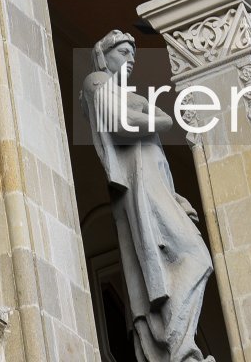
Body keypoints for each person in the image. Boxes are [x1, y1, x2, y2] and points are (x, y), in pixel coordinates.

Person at [82, 30, 215, 362]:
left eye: (133, 55)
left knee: (192, 258)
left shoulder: (123, 92)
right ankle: (176, 346)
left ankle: (171, 342)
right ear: (104, 54)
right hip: (139, 185)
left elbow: (158, 159)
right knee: (196, 257)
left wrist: (177, 199)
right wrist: (162, 119)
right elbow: (121, 122)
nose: (130, 60)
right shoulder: (97, 82)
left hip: (155, 183)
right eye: (124, 52)